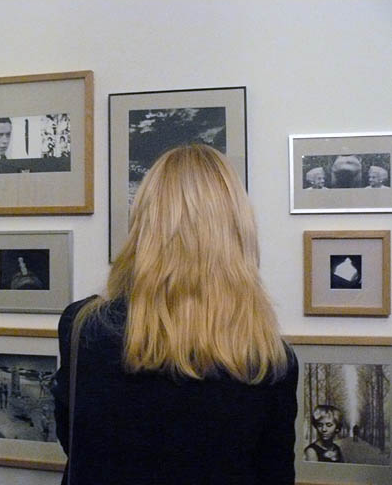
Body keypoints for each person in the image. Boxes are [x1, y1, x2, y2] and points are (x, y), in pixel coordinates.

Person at [52, 144, 298, 485]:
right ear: (238, 232)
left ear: (143, 225)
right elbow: (275, 475)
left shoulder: (83, 327)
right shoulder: (268, 360)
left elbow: (77, 443)